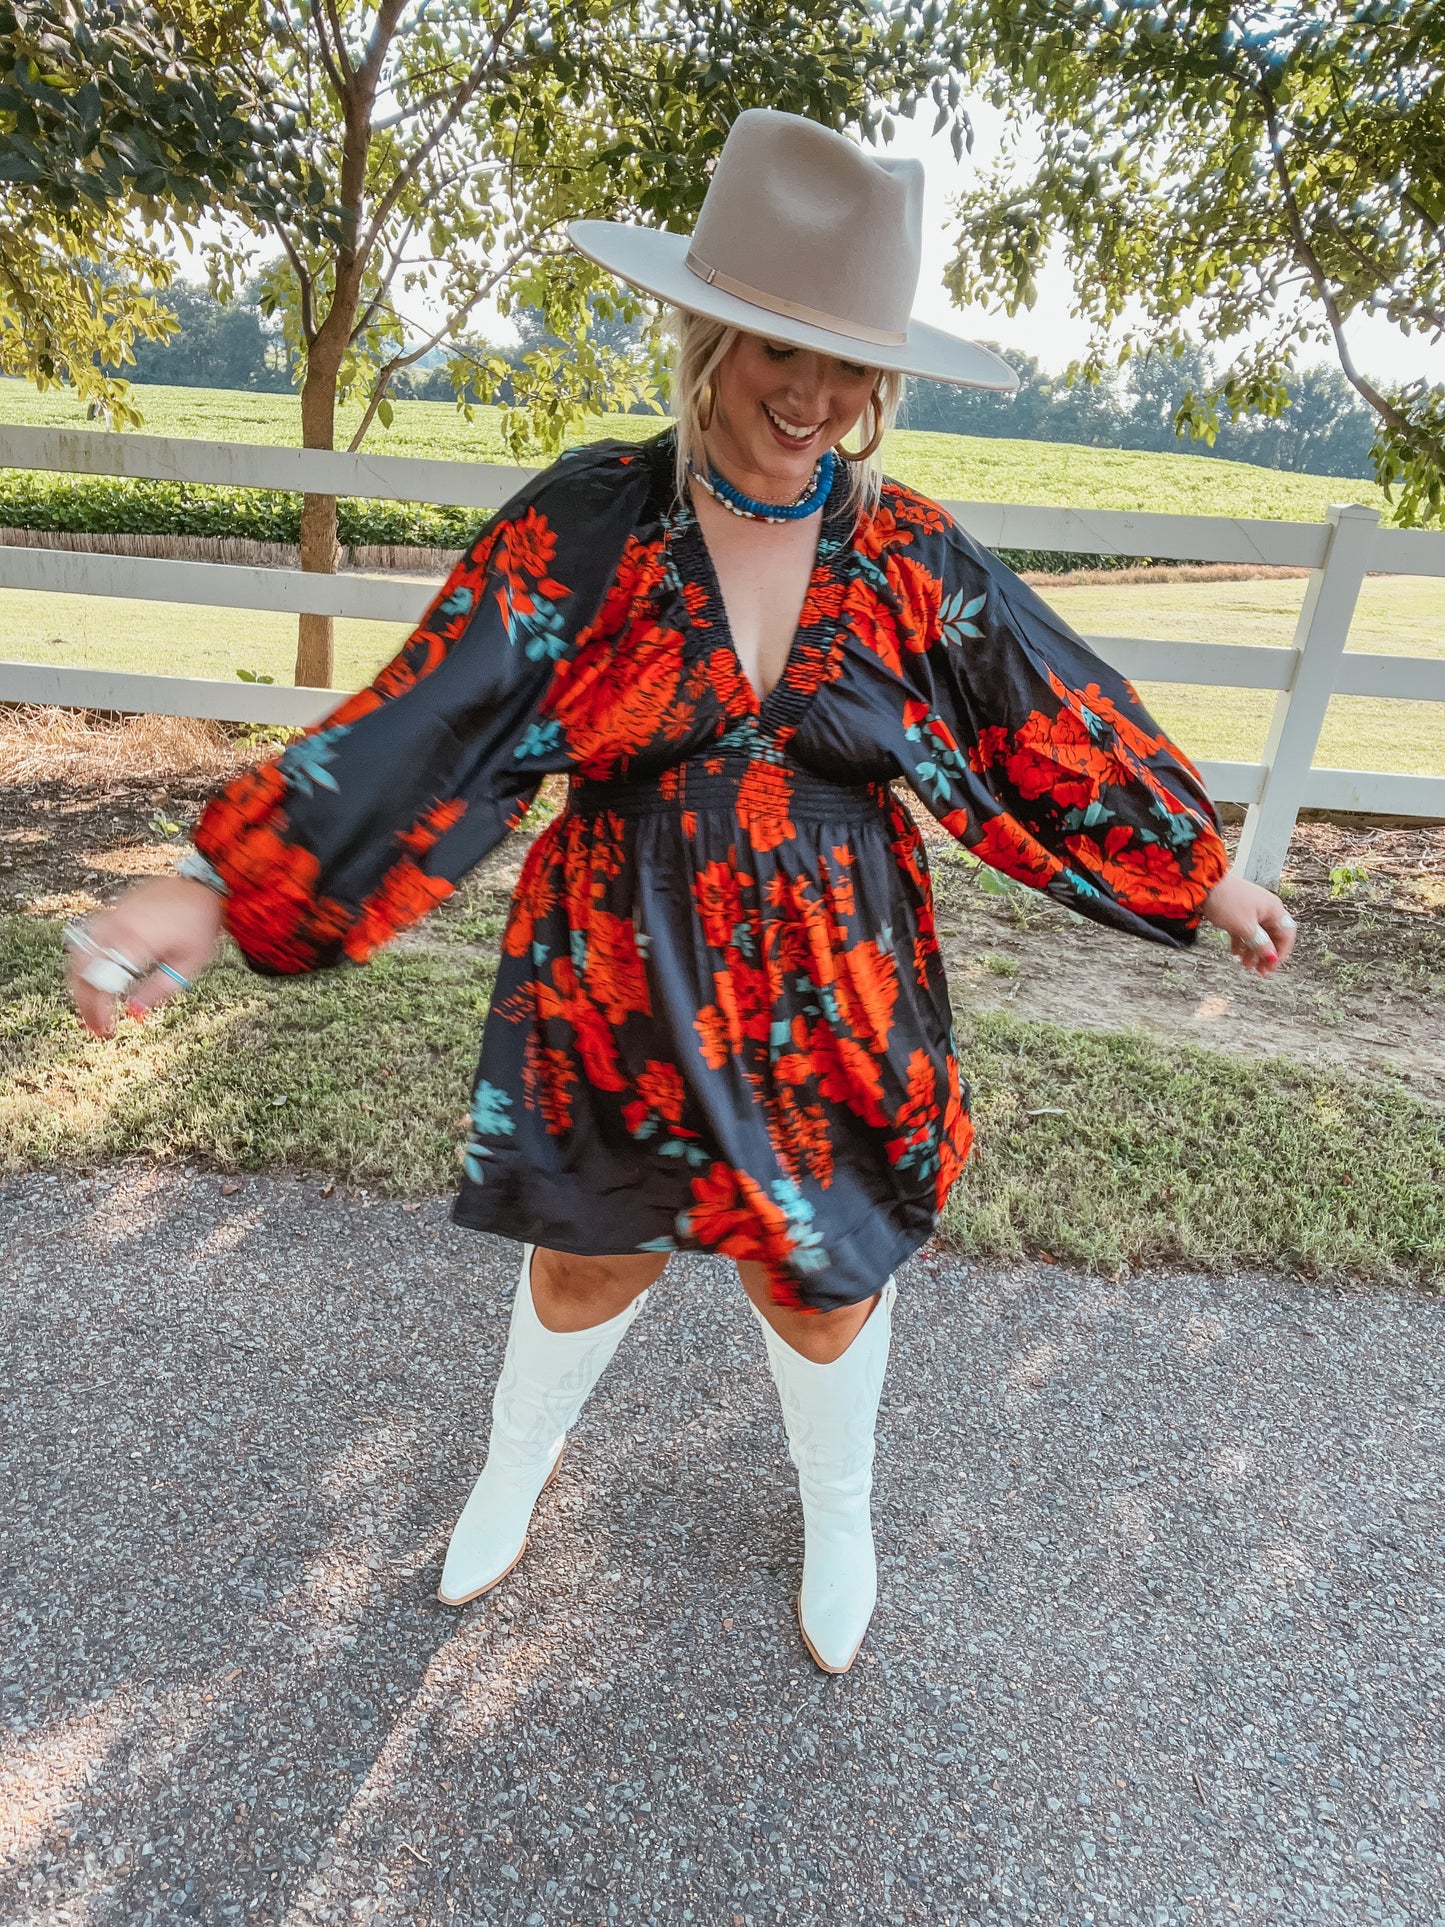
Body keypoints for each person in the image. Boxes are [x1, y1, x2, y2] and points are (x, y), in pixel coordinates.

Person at [65, 109, 1296, 1676]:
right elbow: (427, 719)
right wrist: (210, 887)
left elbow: (1041, 716)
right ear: (706, 331)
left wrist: (1198, 874)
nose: (819, 396)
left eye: (852, 365)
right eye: (784, 346)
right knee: (591, 1248)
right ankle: (513, 1467)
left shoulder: (908, 551)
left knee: (821, 1281)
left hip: (839, 981)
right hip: (616, 964)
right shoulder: (588, 522)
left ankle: (834, 1508)